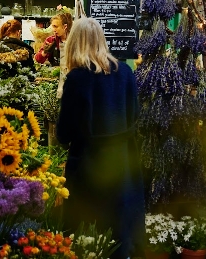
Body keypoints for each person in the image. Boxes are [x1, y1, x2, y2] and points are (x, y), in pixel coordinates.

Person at [57, 17, 145, 259]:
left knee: (86, 238)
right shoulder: (126, 72)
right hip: (123, 165)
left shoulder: (76, 79)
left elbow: (64, 133)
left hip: (88, 167)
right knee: (119, 235)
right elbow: (135, 116)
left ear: (74, 43)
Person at [35, 12, 73, 97]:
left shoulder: (74, 41)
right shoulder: (51, 40)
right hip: (55, 81)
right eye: (53, 26)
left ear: (65, 27)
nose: (53, 29)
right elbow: (38, 59)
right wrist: (45, 52)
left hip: (72, 80)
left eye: (56, 26)